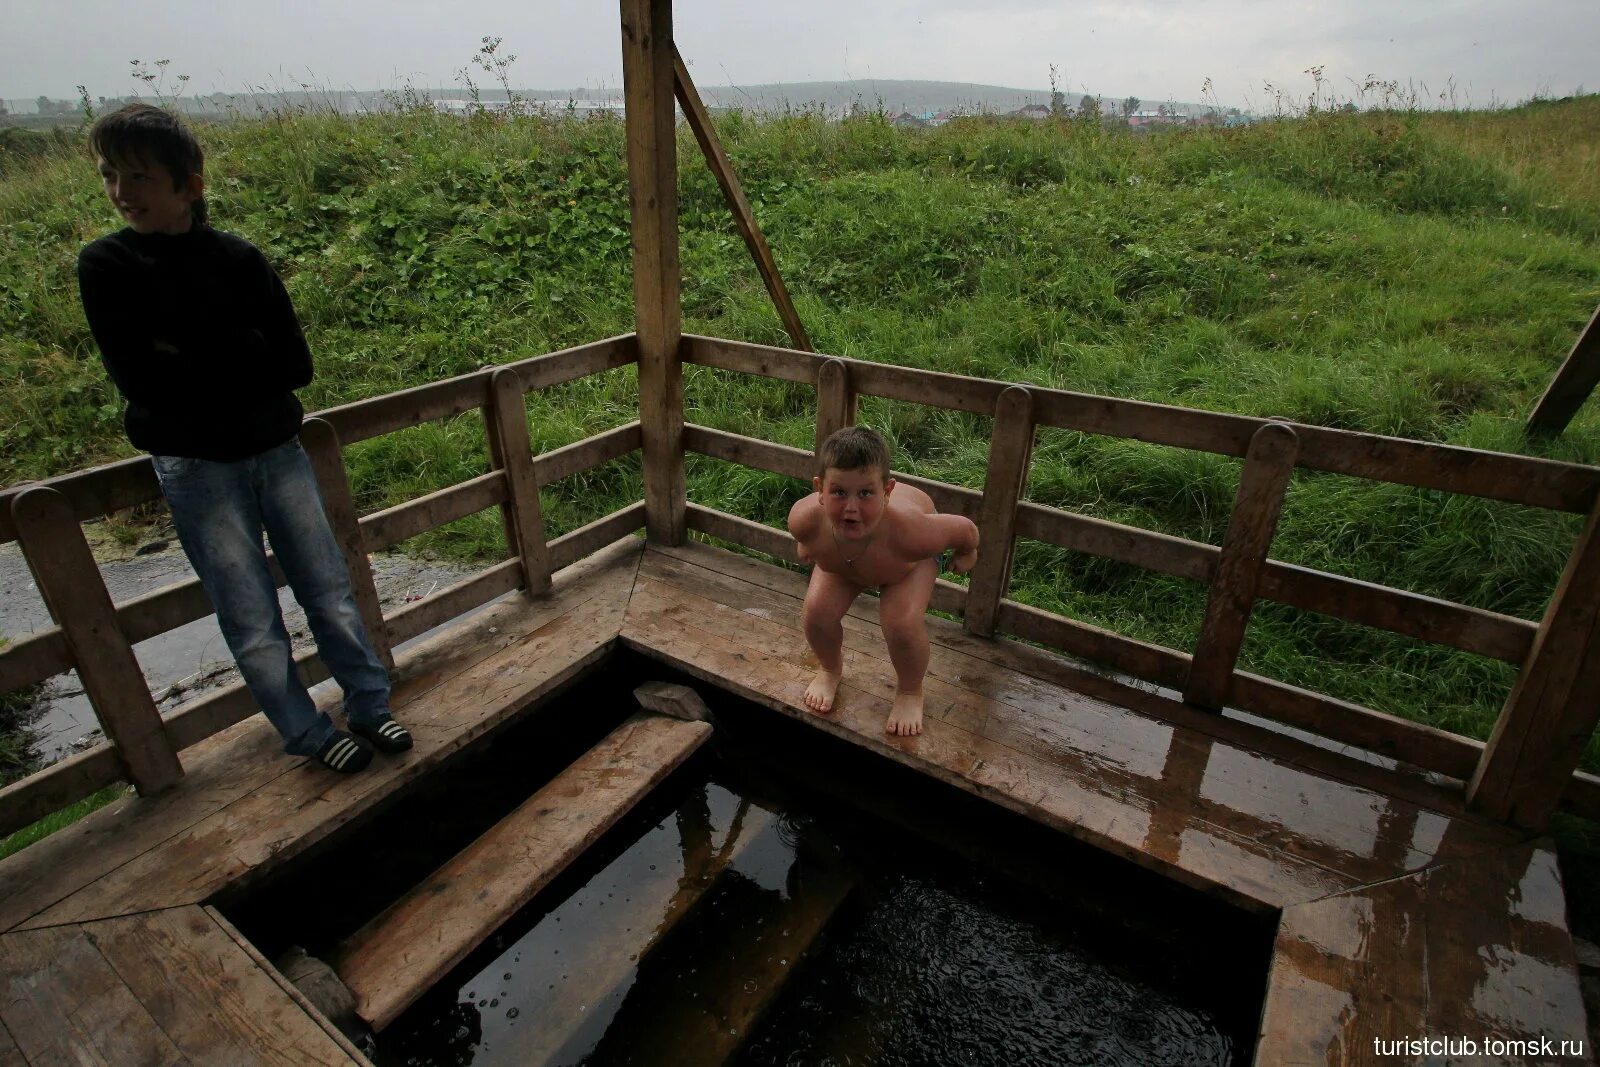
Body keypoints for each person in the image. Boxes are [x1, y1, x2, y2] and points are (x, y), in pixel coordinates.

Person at [76, 103, 410, 773]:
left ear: (188, 183)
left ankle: (370, 701)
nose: (121, 192)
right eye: (112, 175)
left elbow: (295, 366)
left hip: (274, 450)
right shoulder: (107, 266)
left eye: (139, 177)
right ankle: (308, 731)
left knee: (328, 585)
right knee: (248, 612)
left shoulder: (238, 258)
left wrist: (186, 350)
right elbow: (141, 379)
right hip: (197, 466)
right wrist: (236, 351)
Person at [787, 426, 979, 737]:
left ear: (887, 492)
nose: (851, 507)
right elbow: (802, 538)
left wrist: (966, 554)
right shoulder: (804, 520)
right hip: (844, 561)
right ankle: (830, 669)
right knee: (816, 614)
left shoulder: (912, 532)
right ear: (820, 490)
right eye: (839, 492)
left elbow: (966, 531)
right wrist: (809, 544)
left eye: (866, 493)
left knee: (900, 623)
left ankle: (910, 690)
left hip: (905, 566)